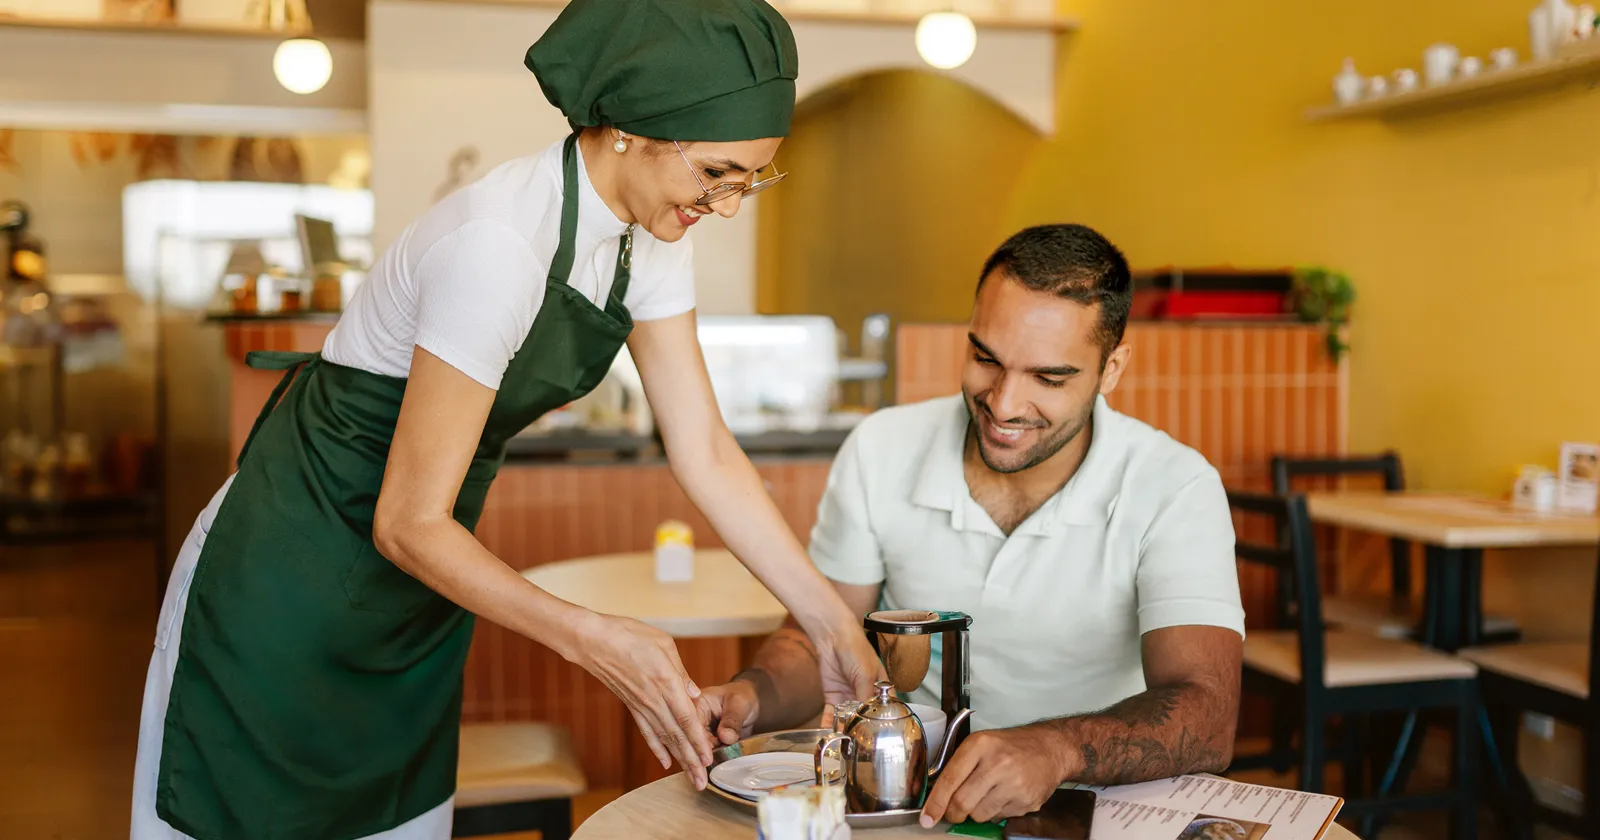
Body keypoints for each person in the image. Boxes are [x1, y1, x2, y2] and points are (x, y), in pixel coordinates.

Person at [129, 1, 884, 837]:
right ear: (627, 128)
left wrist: (831, 625)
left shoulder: (650, 239)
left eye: (750, 178)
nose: (729, 204)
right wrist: (596, 639)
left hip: (413, 598)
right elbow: (408, 521)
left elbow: (703, 447)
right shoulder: (497, 243)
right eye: (716, 172)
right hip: (287, 581)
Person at [700, 224, 1246, 827]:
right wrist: (754, 695)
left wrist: (1055, 750)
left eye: (1049, 378)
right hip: (917, 806)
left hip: (1100, 807)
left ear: (1111, 369)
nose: (1004, 404)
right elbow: (820, 641)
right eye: (986, 359)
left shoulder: (1175, 485)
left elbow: (1208, 714)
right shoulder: (880, 449)